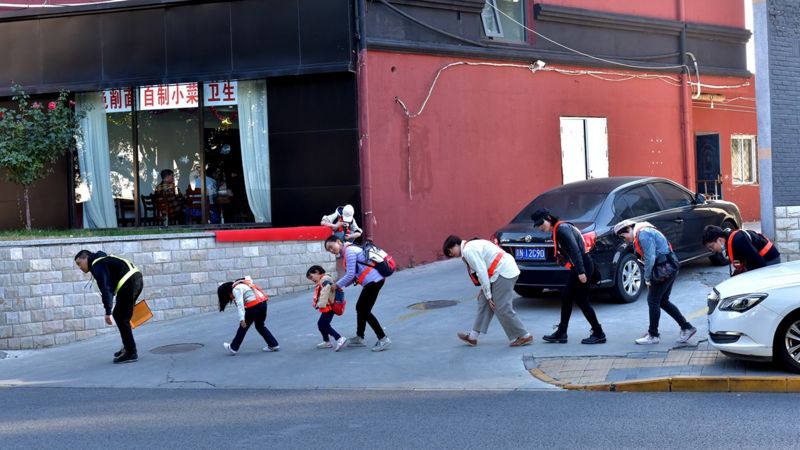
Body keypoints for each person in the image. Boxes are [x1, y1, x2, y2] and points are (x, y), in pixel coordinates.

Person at [614, 220, 697, 345]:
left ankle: (653, 335)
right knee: (662, 301)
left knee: (653, 301)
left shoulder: (643, 234)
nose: (624, 240)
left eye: (623, 236)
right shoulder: (644, 230)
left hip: (663, 270)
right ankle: (686, 327)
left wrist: (647, 278)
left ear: (627, 229)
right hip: (669, 268)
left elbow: (650, 257)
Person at [530, 209, 606, 344]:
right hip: (578, 266)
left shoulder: (562, 229)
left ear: (548, 218)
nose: (540, 228)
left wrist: (581, 272)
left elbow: (576, 250)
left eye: (541, 224)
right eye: (538, 225)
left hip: (582, 266)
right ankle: (562, 332)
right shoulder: (559, 229)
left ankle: (598, 332)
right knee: (566, 297)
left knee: (582, 300)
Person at [442, 235, 533, 347]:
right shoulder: (469, 246)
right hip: (498, 271)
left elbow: (481, 271)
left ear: (455, 245)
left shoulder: (468, 250)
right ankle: (473, 337)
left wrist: (489, 295)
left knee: (501, 306)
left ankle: (524, 335)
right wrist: (485, 292)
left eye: (450, 251)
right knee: (483, 301)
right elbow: (483, 270)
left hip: (503, 271)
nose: (451, 255)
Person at [74, 250, 143, 364]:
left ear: (86, 258)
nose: (79, 267)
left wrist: (108, 312)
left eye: (79, 263)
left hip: (129, 282)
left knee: (120, 316)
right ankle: (127, 347)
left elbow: (106, 289)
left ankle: (131, 352)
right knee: (122, 316)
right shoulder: (102, 260)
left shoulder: (97, 265)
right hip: (135, 279)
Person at [324, 235, 391, 351]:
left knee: (364, 310)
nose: (331, 250)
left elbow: (350, 274)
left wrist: (337, 285)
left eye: (331, 246)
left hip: (373, 281)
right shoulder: (349, 250)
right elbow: (354, 275)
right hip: (373, 281)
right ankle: (360, 337)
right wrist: (340, 285)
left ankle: (383, 339)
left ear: (339, 242)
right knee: (361, 308)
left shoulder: (349, 251)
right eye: (328, 250)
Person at [217, 276, 280, 354]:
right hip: (263, 304)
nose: (231, 298)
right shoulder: (243, 284)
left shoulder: (236, 289)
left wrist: (242, 319)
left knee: (243, 328)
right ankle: (273, 344)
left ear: (228, 292)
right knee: (260, 326)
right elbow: (248, 278)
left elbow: (240, 305)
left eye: (227, 296)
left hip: (254, 306)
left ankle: (233, 348)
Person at [702, 225, 780, 276]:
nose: (712, 250)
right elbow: (740, 264)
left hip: (770, 259)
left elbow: (758, 261)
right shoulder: (729, 241)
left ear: (720, 240)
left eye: (711, 246)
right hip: (760, 261)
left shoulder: (738, 240)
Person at [306, 265, 347, 352]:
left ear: (317, 272)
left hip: (329, 306)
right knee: (321, 324)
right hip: (328, 305)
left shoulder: (325, 279)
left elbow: (325, 292)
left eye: (311, 277)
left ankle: (339, 338)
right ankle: (326, 341)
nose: (311, 279)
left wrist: (320, 304)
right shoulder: (324, 279)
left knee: (323, 324)